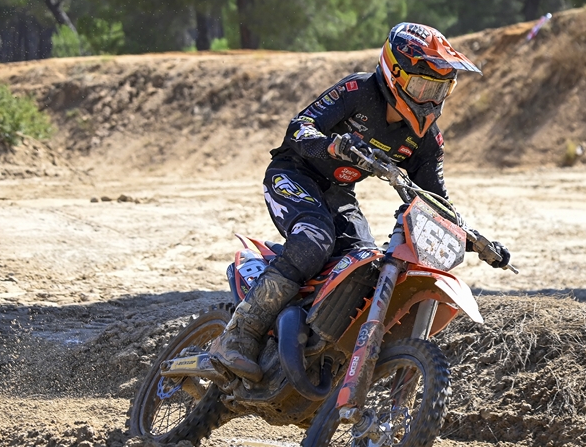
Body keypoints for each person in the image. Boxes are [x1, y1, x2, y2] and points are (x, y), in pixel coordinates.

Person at [209, 22, 512, 381]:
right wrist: (333, 146)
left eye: (440, 89)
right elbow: (299, 128)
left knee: (364, 262)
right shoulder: (358, 91)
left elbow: (436, 201)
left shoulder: (426, 140)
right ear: (395, 73)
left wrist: (473, 238)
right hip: (293, 174)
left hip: (338, 193)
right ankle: (238, 334)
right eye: (422, 87)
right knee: (314, 239)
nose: (431, 99)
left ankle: (308, 337)